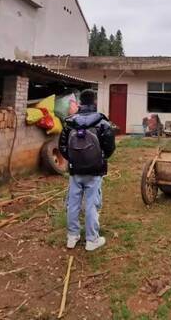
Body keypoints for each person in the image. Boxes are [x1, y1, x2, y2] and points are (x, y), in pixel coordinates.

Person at [59, 89, 115, 251]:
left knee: (73, 203)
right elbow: (110, 147)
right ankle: (92, 240)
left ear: (81, 103)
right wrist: (100, 158)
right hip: (95, 170)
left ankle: (72, 236)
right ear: (94, 102)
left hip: (75, 170)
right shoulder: (102, 122)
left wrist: (75, 159)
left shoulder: (70, 122)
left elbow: (62, 146)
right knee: (91, 204)